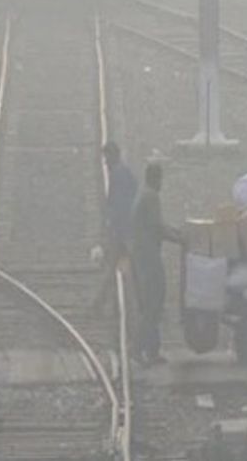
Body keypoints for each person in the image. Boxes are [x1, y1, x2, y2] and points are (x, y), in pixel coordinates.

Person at [130, 162, 184, 365]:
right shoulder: (151, 196)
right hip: (148, 258)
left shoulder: (144, 194)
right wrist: (179, 238)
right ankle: (137, 349)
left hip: (143, 256)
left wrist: (175, 231)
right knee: (154, 303)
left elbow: (158, 225)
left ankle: (153, 350)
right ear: (157, 178)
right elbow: (157, 227)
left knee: (151, 304)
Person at [91, 141, 138, 315]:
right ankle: (100, 305)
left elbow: (121, 206)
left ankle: (101, 305)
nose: (105, 162)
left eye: (106, 158)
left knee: (120, 268)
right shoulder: (123, 173)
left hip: (123, 231)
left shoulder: (119, 175)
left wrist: (114, 229)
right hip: (126, 230)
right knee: (118, 268)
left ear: (113, 156)